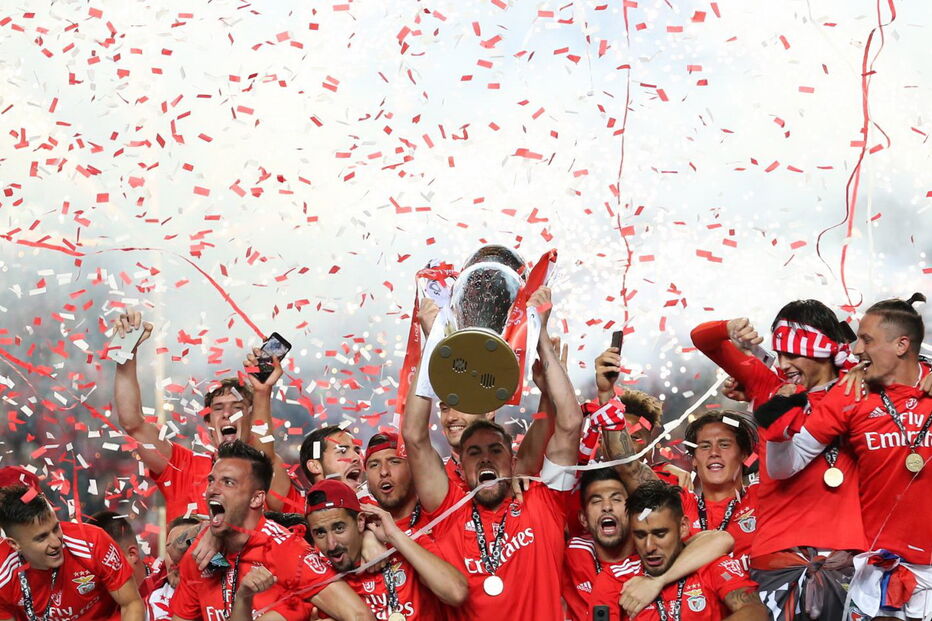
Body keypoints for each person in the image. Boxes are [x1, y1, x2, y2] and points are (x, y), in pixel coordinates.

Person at [403, 286, 583, 621]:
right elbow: (414, 436)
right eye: (474, 452)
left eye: (495, 449)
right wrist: (434, 345)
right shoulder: (448, 508)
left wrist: (541, 336)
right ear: (462, 463)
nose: (485, 458)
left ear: (512, 459)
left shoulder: (542, 498)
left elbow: (570, 424)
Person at [692, 303, 867, 620]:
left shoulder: (859, 386)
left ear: (821, 350)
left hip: (846, 550)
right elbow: (702, 338)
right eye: (780, 353)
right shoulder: (767, 385)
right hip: (776, 552)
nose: (783, 364)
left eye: (793, 354)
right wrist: (728, 327)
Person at [766, 294, 932, 620]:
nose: (856, 349)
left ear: (901, 345)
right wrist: (778, 435)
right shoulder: (850, 393)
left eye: (867, 340)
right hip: (878, 568)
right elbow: (785, 467)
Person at [169, 441, 372, 621]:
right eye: (212, 480)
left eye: (228, 482)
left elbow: (359, 616)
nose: (212, 489)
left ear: (256, 498)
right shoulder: (201, 553)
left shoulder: (287, 550)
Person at [113, 311, 259, 521]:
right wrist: (127, 353)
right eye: (218, 408)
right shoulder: (184, 467)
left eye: (237, 407)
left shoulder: (271, 475)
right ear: (208, 423)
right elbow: (132, 423)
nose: (227, 414)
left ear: (253, 419)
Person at [564, 468, 734, 621]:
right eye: (596, 501)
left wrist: (656, 582)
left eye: (616, 499)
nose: (607, 507)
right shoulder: (573, 555)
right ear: (583, 519)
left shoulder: (672, 550)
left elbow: (721, 539)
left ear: (631, 513)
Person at [590, 481, 768, 621]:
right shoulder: (614, 578)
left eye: (660, 534)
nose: (649, 547)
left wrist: (657, 582)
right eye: (640, 535)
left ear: (683, 527)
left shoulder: (710, 563)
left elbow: (755, 613)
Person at [603, 408, 759, 567]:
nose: (714, 452)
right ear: (694, 460)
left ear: (744, 455)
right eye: (705, 446)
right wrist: (608, 401)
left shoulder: (762, 498)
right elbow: (630, 469)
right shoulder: (677, 504)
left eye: (724, 445)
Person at [305, 479, 468, 619]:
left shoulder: (405, 543)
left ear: (360, 521)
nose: (331, 544)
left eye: (339, 528)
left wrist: (394, 536)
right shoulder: (318, 574)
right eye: (320, 533)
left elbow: (456, 593)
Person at [0, 486, 144, 621]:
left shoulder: (93, 542)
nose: (56, 542)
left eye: (56, 528)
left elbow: (131, 603)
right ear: (14, 544)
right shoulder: (3, 575)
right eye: (42, 537)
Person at [363, 432, 421, 532]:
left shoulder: (437, 511)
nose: (383, 472)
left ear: (413, 467)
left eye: (394, 462)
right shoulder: (359, 525)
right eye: (374, 465)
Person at [144, 517, 200, 620]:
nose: (174, 557)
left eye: (183, 550)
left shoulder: (224, 589)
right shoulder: (147, 602)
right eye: (169, 549)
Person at [86, 511, 149, 598]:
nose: (101, 578)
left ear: (132, 554)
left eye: (108, 565)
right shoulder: (99, 602)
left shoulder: (165, 581)